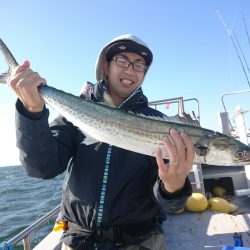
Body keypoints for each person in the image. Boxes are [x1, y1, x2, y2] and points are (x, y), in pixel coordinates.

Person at [8, 34, 195, 250]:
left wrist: (174, 185)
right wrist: (32, 112)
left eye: (139, 65)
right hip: (78, 241)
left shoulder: (162, 128)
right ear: (105, 67)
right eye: (122, 61)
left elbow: (172, 206)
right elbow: (42, 168)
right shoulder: (75, 113)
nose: (130, 69)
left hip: (141, 242)